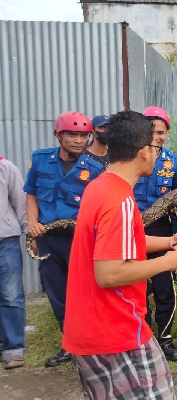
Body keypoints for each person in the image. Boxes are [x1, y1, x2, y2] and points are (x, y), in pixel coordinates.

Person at [62, 110, 177, 399]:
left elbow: (126, 242)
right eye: (155, 147)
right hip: (114, 328)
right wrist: (166, 263)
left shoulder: (101, 187)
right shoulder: (119, 199)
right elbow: (108, 273)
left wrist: (168, 242)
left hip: (90, 328)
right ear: (145, 151)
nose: (158, 154)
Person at [24, 111, 104, 367]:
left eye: (83, 135)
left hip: (79, 240)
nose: (79, 140)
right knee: (57, 294)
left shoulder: (94, 169)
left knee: (86, 292)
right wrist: (33, 225)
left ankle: (92, 344)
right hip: (49, 240)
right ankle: (69, 344)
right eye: (72, 134)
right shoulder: (40, 160)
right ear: (58, 135)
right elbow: (32, 195)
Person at [133, 106, 177, 361]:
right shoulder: (130, 157)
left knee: (165, 288)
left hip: (163, 230)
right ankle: (140, 339)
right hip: (131, 231)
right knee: (137, 288)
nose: (157, 136)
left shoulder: (174, 162)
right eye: (152, 130)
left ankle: (165, 338)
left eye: (162, 131)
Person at [0, 157, 27, 369]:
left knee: (10, 295)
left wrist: (31, 234)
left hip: (4, 241)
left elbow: (20, 200)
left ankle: (13, 348)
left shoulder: (5, 167)